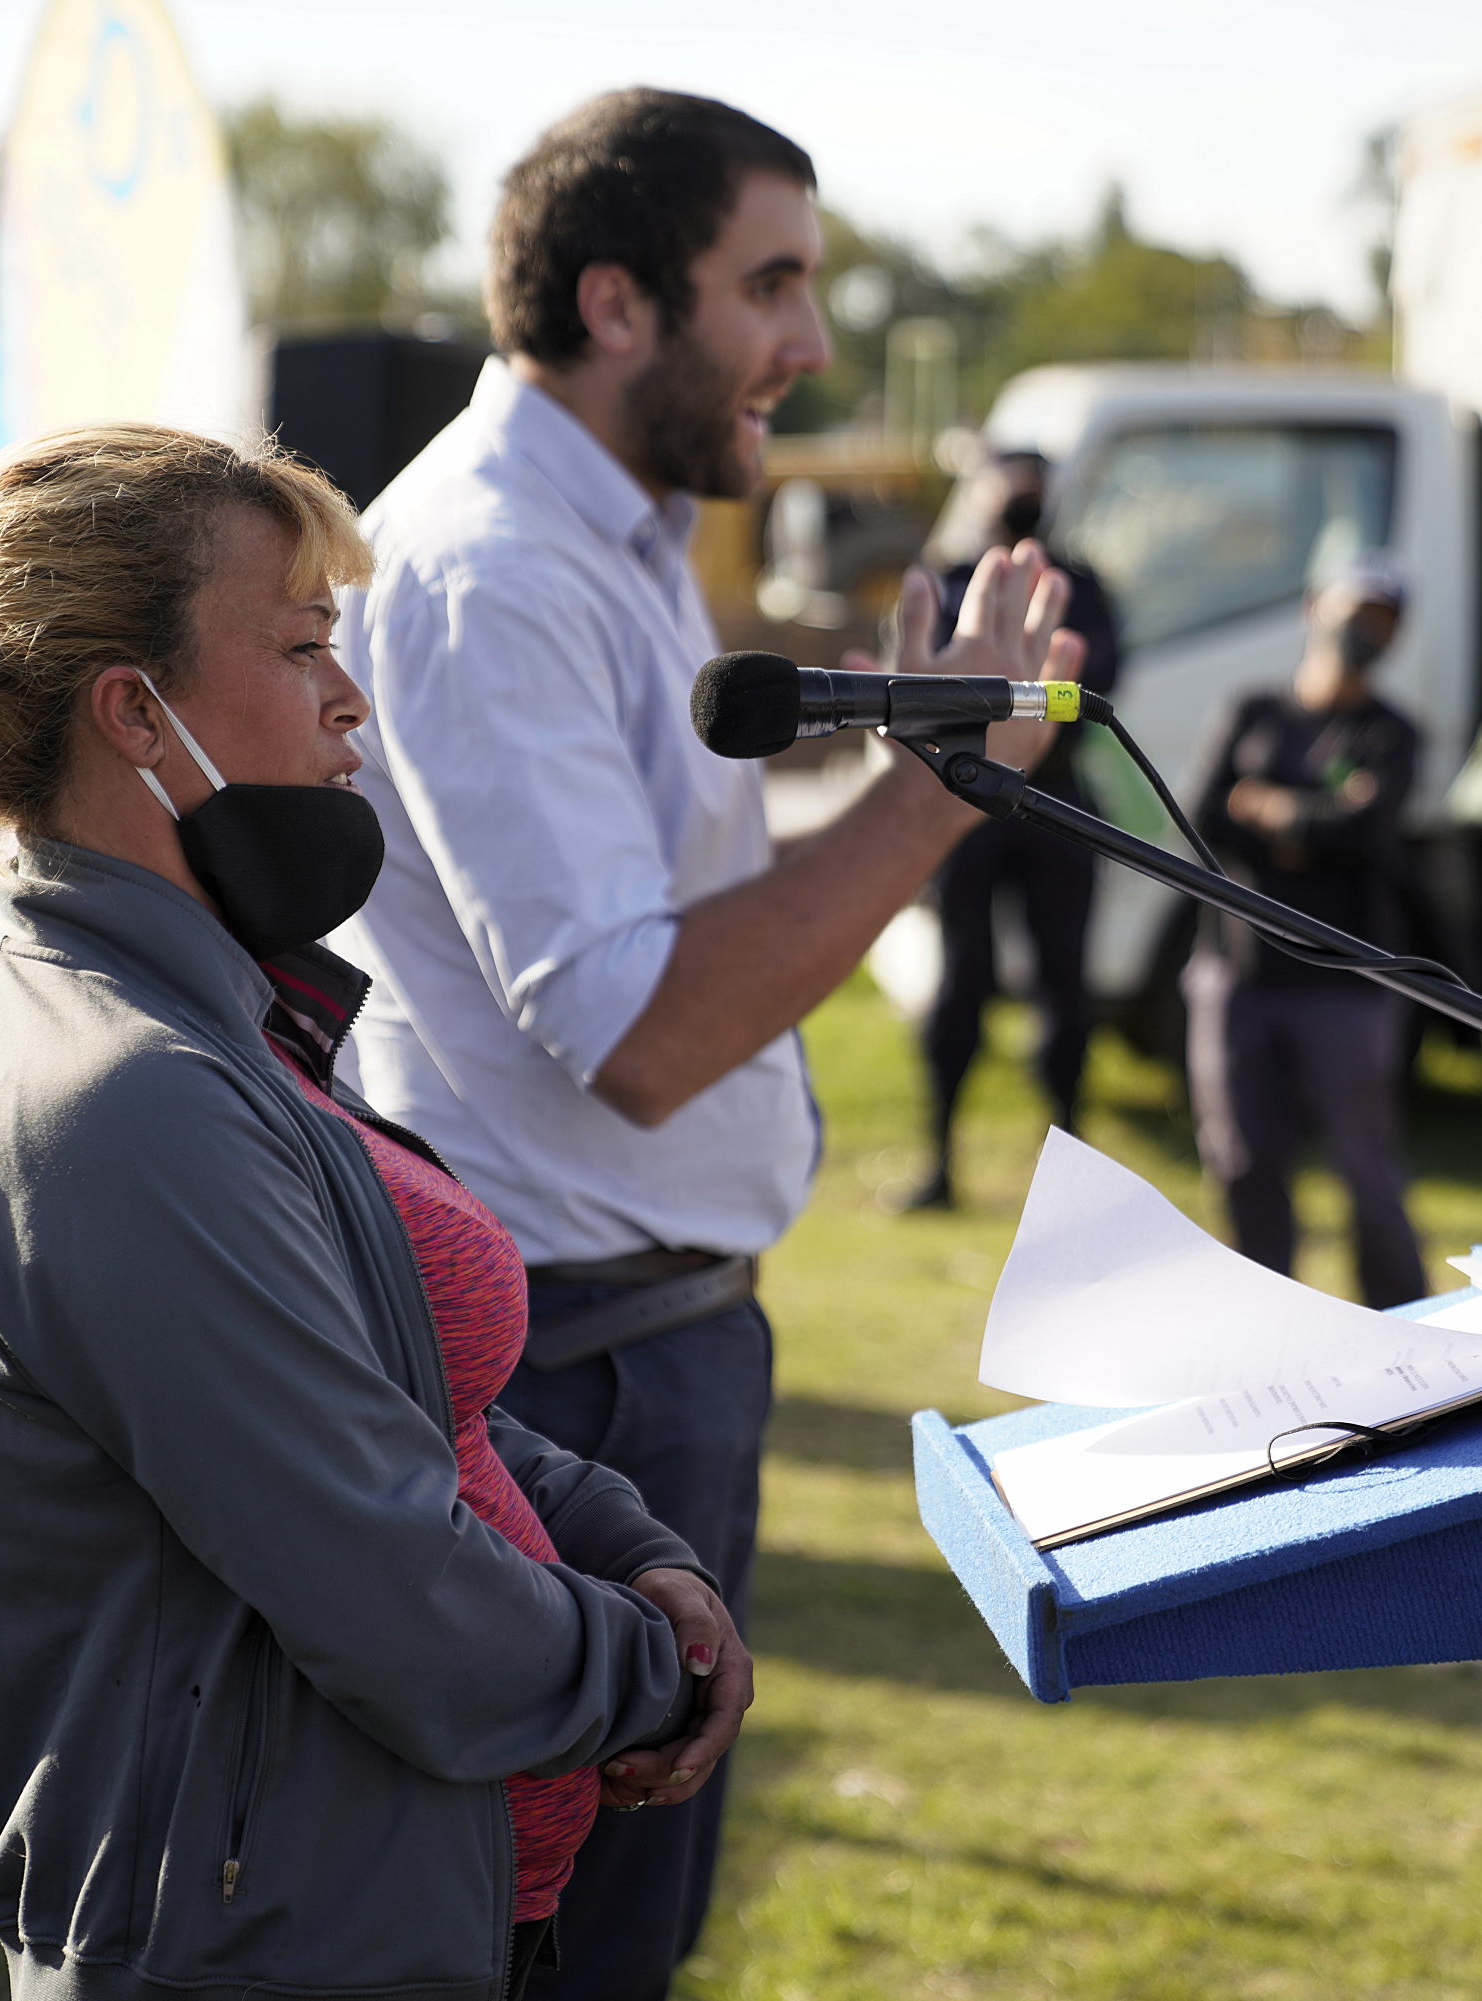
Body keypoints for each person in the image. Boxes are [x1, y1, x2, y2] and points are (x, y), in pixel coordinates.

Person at [0, 423, 752, 1999]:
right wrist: (658, 1664)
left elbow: (410, 1387)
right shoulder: (129, 1097)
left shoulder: (212, 1015)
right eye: (303, 649)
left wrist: (634, 1551)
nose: (353, 702)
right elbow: (389, 1590)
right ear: (135, 714)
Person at [337, 89, 1075, 2001]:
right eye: (773, 287)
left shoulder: (619, 531)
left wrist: (907, 761)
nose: (814, 346)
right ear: (617, 304)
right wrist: (945, 794)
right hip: (573, 1367)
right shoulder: (495, 566)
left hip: (647, 1336)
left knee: (629, 1931)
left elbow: (665, 919)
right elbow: (643, 1032)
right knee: (581, 1944)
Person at [1184, 558, 1427, 1308]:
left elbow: (1368, 832)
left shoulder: (1392, 731)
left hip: (1344, 984)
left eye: (1382, 619)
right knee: (1242, 1161)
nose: (1363, 631)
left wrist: (1271, 809)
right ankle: (1266, 1321)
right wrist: (1313, 817)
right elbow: (1204, 815)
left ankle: (1404, 1325)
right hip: (1237, 973)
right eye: (1355, 610)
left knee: (1365, 1168)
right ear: (1316, 606)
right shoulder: (1254, 708)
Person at [896, 450, 1125, 1212]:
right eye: (1010, 487)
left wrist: (1027, 736)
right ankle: (939, 1157)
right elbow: (916, 690)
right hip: (967, 810)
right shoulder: (949, 581)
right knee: (963, 979)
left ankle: (1070, 1159)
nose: (1022, 501)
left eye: (1033, 487)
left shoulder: (1079, 588)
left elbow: (1098, 682)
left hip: (1055, 804)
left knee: (1065, 984)